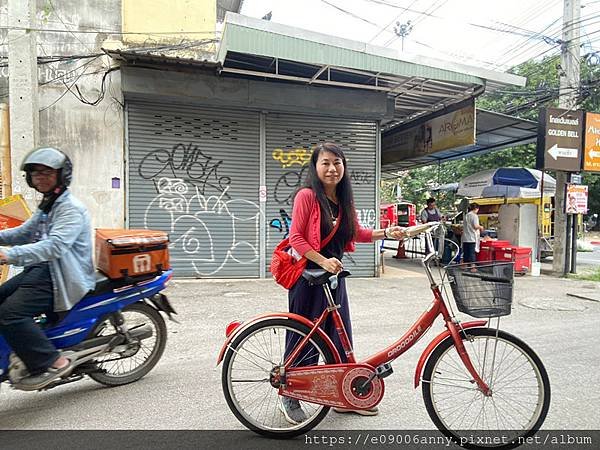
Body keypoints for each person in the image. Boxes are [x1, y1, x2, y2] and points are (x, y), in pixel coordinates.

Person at [281, 142, 405, 424]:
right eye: (325, 162)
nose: (331, 168)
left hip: (334, 278)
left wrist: (388, 232)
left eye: (337, 162)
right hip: (308, 278)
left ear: (344, 167)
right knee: (304, 337)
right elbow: (296, 239)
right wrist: (322, 260)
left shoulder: (344, 200)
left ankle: (344, 394)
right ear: (315, 167)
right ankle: (290, 394)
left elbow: (357, 233)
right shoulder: (306, 197)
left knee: (340, 338)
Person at [0, 147, 95, 390]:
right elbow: (25, 232)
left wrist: (9, 255)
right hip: (42, 270)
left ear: (61, 175)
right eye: (35, 173)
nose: (40, 177)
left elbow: (55, 247)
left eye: (46, 173)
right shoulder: (49, 203)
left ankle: (54, 361)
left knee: (10, 313)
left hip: (62, 276)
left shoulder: (70, 208)